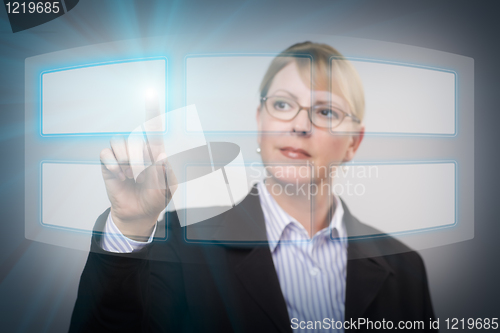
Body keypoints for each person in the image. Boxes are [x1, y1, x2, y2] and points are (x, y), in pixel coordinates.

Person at [70, 42, 436, 332]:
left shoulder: (406, 270)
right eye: (282, 104)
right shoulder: (182, 246)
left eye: (325, 112)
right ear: (260, 119)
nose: (299, 125)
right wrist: (131, 225)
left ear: (354, 142)